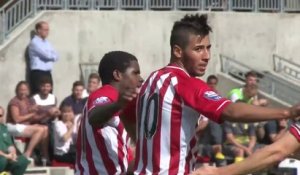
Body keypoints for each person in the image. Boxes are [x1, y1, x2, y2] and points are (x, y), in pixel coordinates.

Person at [86, 14, 300, 174]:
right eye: (198, 49)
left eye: (208, 48)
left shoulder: (151, 80)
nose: (206, 56)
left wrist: (145, 149)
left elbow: (123, 115)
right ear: (178, 51)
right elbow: (230, 110)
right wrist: (286, 111)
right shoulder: (185, 83)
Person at [76, 51, 143, 175]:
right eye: (135, 73)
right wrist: (118, 104)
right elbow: (94, 116)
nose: (141, 79)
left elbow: (124, 166)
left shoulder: (121, 103)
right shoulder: (106, 93)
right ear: (117, 75)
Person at [191, 119, 300, 175]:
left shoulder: (249, 125)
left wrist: (218, 172)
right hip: (231, 147)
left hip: (247, 148)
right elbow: (229, 138)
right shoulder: (229, 123)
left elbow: (278, 151)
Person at [6, 81, 49, 159]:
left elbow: (33, 117)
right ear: (17, 91)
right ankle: (27, 153)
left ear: (28, 91)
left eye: (25, 90)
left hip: (24, 126)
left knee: (45, 128)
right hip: (13, 126)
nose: (23, 92)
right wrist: (31, 114)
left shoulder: (27, 100)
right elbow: (17, 119)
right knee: (39, 130)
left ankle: (44, 156)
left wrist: (47, 114)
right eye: (21, 90)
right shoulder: (14, 102)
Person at [28, 21, 59, 95]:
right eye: (45, 30)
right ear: (39, 30)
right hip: (38, 73)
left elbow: (57, 55)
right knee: (38, 94)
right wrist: (52, 56)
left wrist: (52, 56)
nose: (47, 32)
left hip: (47, 72)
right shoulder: (34, 42)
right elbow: (46, 55)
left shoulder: (47, 43)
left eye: (48, 30)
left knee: (49, 94)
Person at [0, 106, 30, 175]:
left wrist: (13, 154)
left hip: (7, 157)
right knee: (2, 160)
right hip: (2, 158)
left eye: (1, 115)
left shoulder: (4, 129)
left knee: (23, 160)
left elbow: (10, 145)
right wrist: (6, 156)